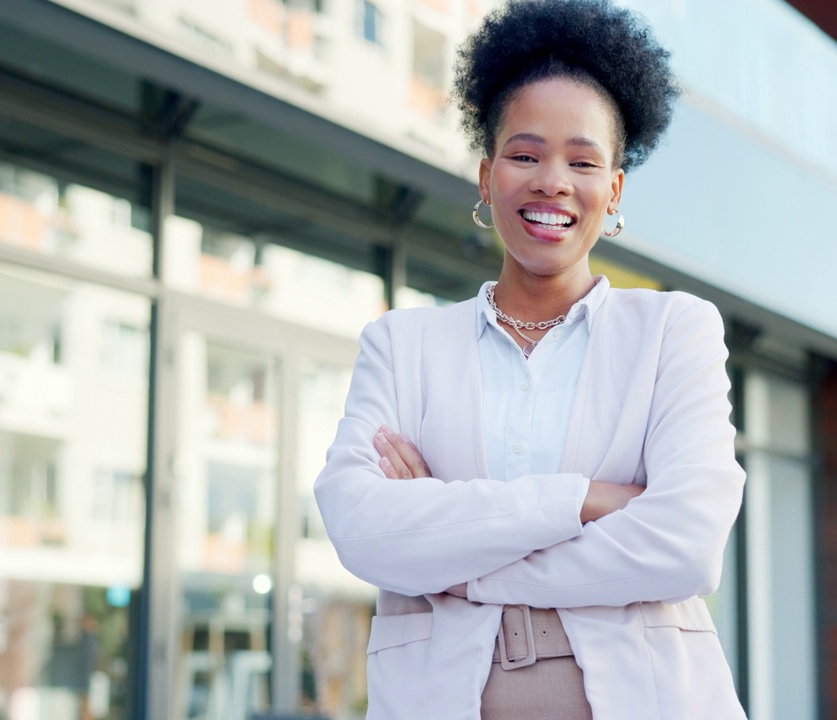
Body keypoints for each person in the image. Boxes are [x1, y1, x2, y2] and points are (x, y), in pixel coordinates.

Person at [314, 0, 747, 717]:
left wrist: (460, 562)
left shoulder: (675, 331)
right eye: (523, 154)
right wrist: (584, 499)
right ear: (486, 178)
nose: (552, 180)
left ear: (613, 191)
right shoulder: (403, 346)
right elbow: (362, 527)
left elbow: (687, 546)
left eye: (583, 161)